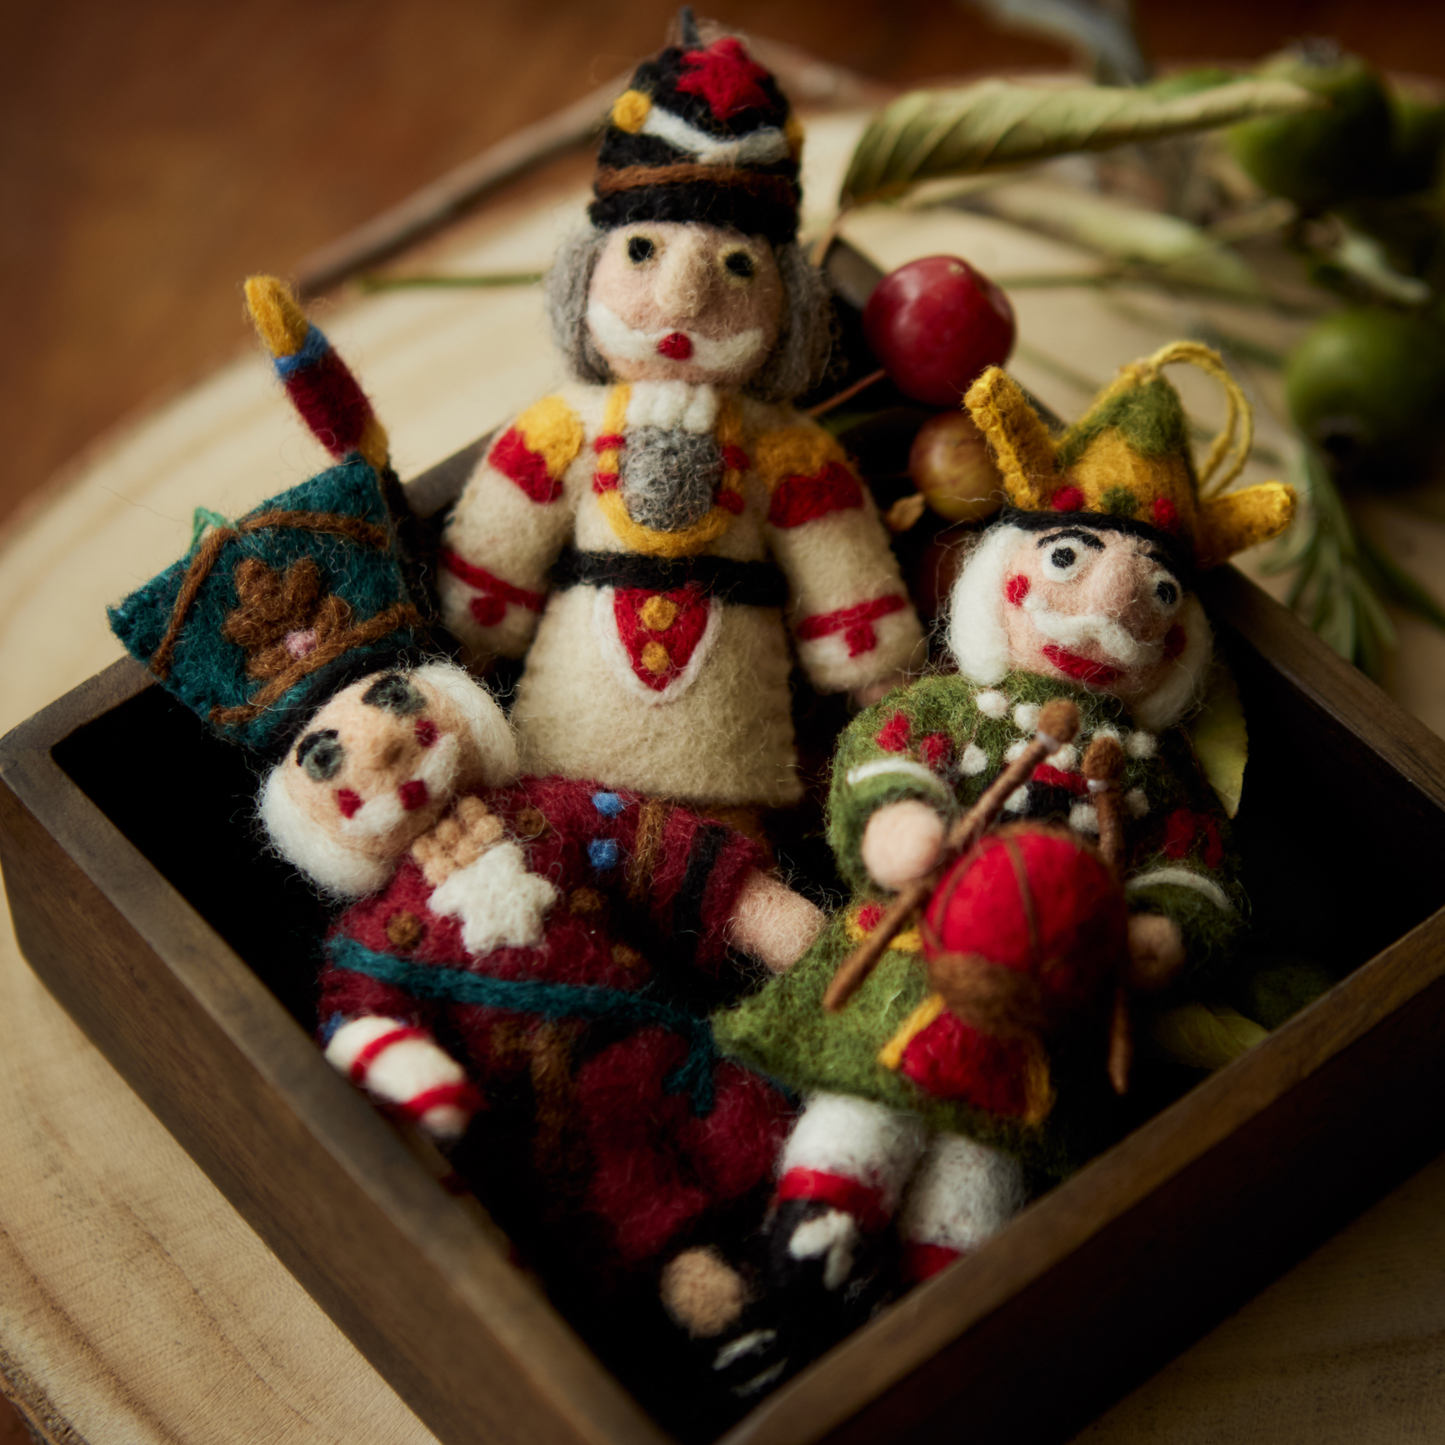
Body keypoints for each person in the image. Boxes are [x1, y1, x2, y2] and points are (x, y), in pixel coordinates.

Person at [714, 343, 1297, 1296]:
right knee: (860, 1110)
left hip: (1040, 1009)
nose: (1110, 605)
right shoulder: (954, 709)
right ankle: (806, 1255)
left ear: (1177, 640)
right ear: (1006, 575)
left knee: (979, 1164)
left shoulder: (1158, 775)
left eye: (1156, 591)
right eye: (1068, 557)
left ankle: (940, 1296)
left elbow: (1193, 866)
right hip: (901, 962)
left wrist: (1162, 931)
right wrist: (895, 820)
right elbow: (885, 749)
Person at [438, 21, 923, 812]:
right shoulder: (561, 428)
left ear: (790, 306)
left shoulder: (786, 452)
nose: (682, 298)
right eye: (641, 251)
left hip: (725, 752)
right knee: (551, 830)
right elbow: (500, 542)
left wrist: (882, 684)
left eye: (736, 266)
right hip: (564, 740)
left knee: (725, 857)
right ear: (585, 270)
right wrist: (467, 646)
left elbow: (837, 559)